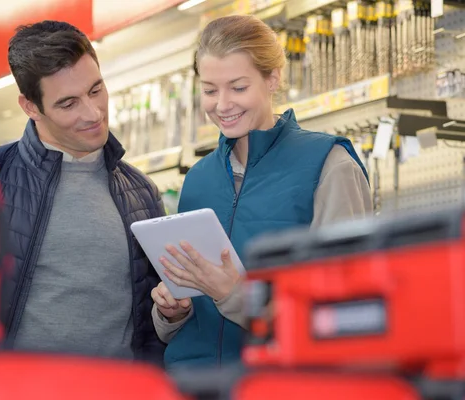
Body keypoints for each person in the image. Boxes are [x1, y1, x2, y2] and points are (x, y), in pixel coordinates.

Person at [151, 15, 373, 370]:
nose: (222, 105)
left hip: (281, 384)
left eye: (238, 88)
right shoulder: (197, 180)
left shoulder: (328, 165)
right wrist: (171, 311)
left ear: (272, 79)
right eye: (210, 90)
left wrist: (234, 295)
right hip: (190, 383)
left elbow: (346, 310)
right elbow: (178, 325)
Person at [0, 21, 165, 364]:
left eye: (96, 90)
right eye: (68, 104)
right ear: (31, 107)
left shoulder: (141, 192)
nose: (93, 113)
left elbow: (153, 320)